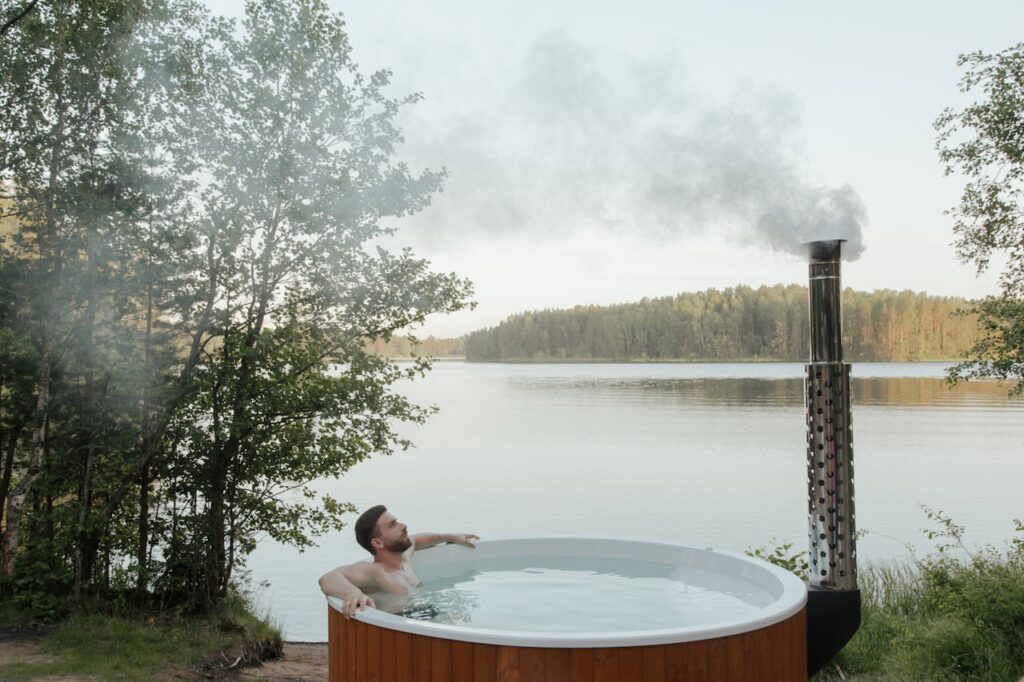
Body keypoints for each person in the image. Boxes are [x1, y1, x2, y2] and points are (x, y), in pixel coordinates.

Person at [318, 505, 479, 618]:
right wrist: (353, 593)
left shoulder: (404, 560)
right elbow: (328, 578)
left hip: (424, 615)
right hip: (397, 627)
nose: (403, 526)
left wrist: (452, 537)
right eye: (393, 525)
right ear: (378, 543)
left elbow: (416, 540)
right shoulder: (377, 572)